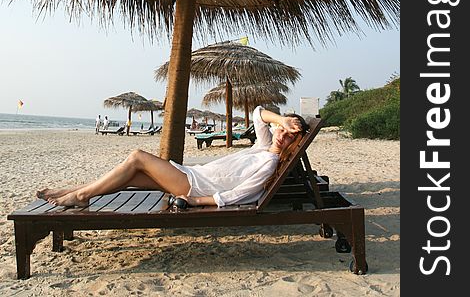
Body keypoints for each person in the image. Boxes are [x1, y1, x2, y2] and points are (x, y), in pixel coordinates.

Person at [37, 106, 309, 208]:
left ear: (295, 141)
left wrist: (195, 201)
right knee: (131, 177)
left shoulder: (269, 161)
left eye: (288, 135)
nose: (282, 135)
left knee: (137, 157)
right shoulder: (264, 146)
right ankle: (73, 191)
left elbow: (243, 194)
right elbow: (258, 113)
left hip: (193, 185)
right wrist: (282, 119)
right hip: (192, 175)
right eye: (281, 130)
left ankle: (82, 197)